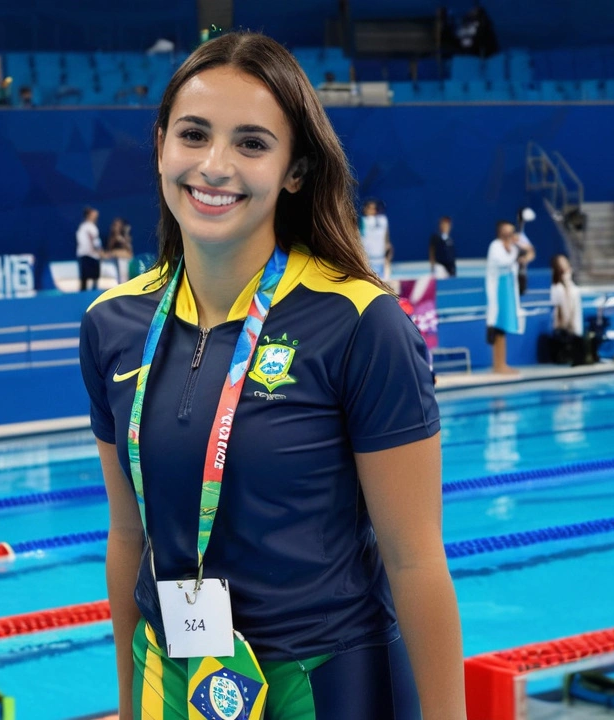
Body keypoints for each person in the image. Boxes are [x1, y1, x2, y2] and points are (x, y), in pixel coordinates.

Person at [80, 31, 462, 720]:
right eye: (193, 135)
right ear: (162, 145)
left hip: (322, 683)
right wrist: (129, 700)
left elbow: (414, 561)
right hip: (172, 676)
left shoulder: (358, 323)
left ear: (294, 170)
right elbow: (128, 537)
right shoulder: (113, 325)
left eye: (252, 143)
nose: (214, 165)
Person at [486, 220, 532, 374]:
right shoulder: (495, 246)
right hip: (499, 290)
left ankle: (502, 363)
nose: (511, 234)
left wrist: (520, 249)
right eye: (508, 231)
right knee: (498, 327)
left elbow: (528, 253)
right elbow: (503, 262)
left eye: (512, 231)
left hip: (508, 290)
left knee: (503, 328)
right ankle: (498, 365)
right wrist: (515, 252)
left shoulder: (512, 247)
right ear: (501, 231)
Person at [359, 199, 392, 280]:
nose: (372, 210)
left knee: (383, 281)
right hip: (367, 260)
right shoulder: (361, 221)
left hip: (380, 259)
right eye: (369, 208)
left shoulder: (382, 220)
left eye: (374, 208)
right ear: (365, 208)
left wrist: (388, 249)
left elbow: (386, 238)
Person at [75, 207, 102, 291]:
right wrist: (97, 251)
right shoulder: (86, 227)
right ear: (89, 215)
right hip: (88, 255)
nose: (96, 217)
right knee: (85, 277)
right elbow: (92, 242)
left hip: (91, 255)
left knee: (94, 276)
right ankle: (84, 294)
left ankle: (94, 291)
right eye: (94, 215)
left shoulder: (90, 226)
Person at [106, 217, 135, 283]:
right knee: (119, 278)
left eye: (118, 225)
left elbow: (128, 248)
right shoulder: (112, 236)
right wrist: (116, 235)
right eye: (115, 225)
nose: (117, 226)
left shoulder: (126, 234)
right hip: (116, 258)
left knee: (125, 278)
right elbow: (109, 247)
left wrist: (121, 239)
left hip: (125, 257)